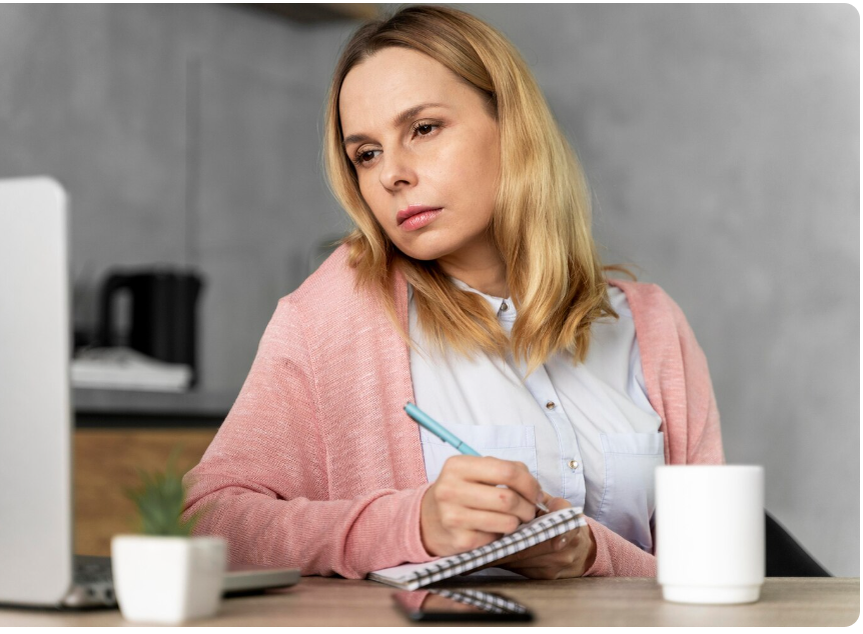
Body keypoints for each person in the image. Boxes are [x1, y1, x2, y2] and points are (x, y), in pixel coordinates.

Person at [182, 5, 724, 580]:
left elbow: (716, 569)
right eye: (366, 153)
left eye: (423, 128)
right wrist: (413, 524)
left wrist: (591, 554)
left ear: (512, 124)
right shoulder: (332, 318)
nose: (392, 173)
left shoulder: (652, 327)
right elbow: (207, 523)